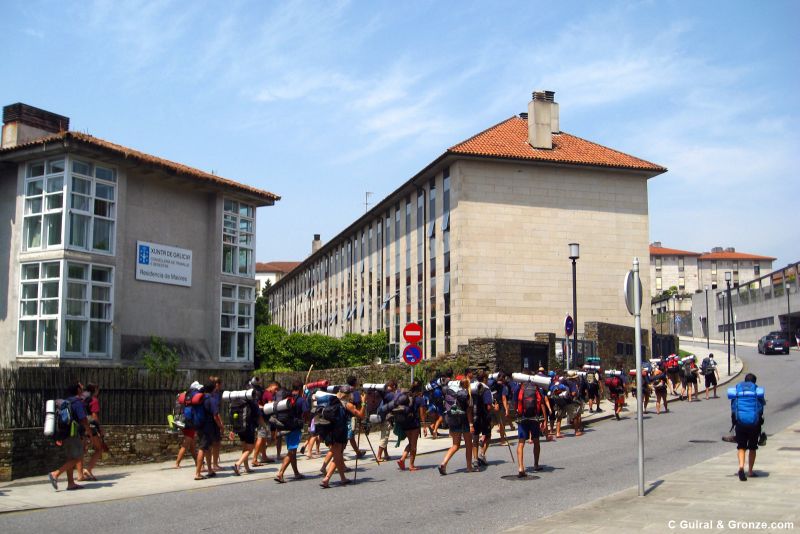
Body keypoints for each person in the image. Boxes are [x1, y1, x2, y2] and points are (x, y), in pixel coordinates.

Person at [49, 382, 92, 491]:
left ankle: (71, 483)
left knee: (70, 458)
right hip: (73, 433)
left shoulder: (66, 401)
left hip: (65, 434)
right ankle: (55, 474)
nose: (82, 388)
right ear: (77, 390)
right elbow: (83, 419)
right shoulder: (77, 402)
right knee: (77, 457)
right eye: (80, 386)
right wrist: (89, 433)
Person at [320, 389, 365, 488]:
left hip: (329, 430)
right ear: (348, 395)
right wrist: (364, 402)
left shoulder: (331, 400)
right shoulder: (347, 404)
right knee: (338, 456)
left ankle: (342, 478)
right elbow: (361, 415)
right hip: (340, 431)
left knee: (337, 454)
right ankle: (327, 479)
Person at [730, 373, 766, 481]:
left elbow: (733, 409)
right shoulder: (757, 392)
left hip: (740, 423)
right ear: (754, 382)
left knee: (741, 447)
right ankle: (750, 471)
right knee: (752, 447)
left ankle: (741, 467)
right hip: (754, 424)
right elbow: (760, 409)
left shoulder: (738, 391)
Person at [275, 380, 310, 483]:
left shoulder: (287, 398)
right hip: (295, 428)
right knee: (291, 451)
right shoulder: (301, 400)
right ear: (300, 389)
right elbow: (306, 412)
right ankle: (280, 473)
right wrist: (306, 420)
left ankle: (296, 473)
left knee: (292, 450)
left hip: (285, 427)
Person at [438, 378, 474, 475]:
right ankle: (469, 467)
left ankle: (443, 463)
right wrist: (471, 424)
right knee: (468, 445)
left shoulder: (453, 394)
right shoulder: (467, 395)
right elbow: (469, 412)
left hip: (453, 420)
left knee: (455, 445)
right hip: (464, 421)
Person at [229, 378, 264, 476]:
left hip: (239, 427)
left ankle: (247, 467)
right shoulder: (252, 401)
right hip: (249, 426)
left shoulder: (239, 399)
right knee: (250, 448)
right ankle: (237, 464)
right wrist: (264, 426)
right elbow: (258, 415)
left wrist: (233, 429)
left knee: (245, 447)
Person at [515, 370, 544, 477]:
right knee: (536, 441)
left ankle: (521, 467)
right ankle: (536, 464)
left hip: (522, 418)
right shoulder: (536, 387)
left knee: (521, 443)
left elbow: (515, 402)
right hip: (534, 418)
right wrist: (543, 419)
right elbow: (541, 403)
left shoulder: (519, 388)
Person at [194, 380, 224, 481]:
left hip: (199, 425)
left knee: (208, 447)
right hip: (208, 426)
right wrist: (220, 426)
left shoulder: (200, 398)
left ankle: (210, 470)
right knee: (203, 448)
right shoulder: (211, 399)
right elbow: (215, 415)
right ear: (214, 388)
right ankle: (197, 473)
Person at [77, 383, 105, 481]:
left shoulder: (81, 399)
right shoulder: (94, 400)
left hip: (80, 426)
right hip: (90, 427)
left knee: (81, 450)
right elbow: (94, 417)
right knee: (99, 448)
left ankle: (80, 474)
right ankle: (88, 469)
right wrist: (100, 429)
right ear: (95, 391)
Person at [396, 381, 426, 471]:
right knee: (414, 446)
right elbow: (422, 414)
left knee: (410, 443)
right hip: (414, 424)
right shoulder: (420, 399)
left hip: (405, 423)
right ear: (419, 390)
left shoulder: (406, 398)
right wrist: (424, 426)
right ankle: (411, 465)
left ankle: (402, 459)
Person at [175, 381, 201, 469]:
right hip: (190, 423)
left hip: (184, 422)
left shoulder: (186, 396)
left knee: (192, 445)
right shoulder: (195, 397)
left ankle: (197, 462)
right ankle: (177, 463)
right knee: (186, 444)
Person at [472, 371, 494, 467]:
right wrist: (495, 408)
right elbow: (488, 407)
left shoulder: (472, 387)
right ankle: (482, 454)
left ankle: (475, 459)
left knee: (475, 438)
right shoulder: (486, 389)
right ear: (484, 379)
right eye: (487, 378)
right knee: (488, 435)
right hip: (484, 417)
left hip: (474, 416)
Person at [375, 380, 397, 462]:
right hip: (387, 418)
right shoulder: (391, 395)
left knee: (384, 435)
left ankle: (386, 454)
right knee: (384, 437)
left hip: (382, 417)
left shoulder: (385, 393)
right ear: (394, 386)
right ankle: (379, 456)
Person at [345, 376, 367, 458]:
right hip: (350, 417)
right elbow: (358, 405)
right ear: (355, 382)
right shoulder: (355, 392)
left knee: (351, 437)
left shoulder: (344, 391)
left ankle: (358, 452)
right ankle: (338, 454)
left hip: (343, 416)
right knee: (348, 436)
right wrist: (363, 402)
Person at [208, 376, 224, 471]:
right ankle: (214, 464)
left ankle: (213, 464)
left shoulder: (215, 393)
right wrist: (220, 423)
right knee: (215, 443)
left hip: (211, 420)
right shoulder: (214, 394)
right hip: (213, 420)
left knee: (212, 443)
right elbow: (215, 411)